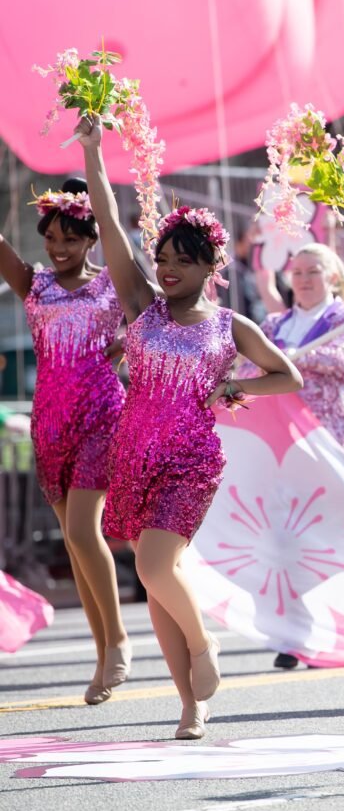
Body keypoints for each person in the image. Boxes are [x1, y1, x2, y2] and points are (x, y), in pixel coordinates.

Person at [79, 115, 302, 740]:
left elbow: (286, 376)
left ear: (211, 266)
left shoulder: (230, 326)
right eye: (165, 259)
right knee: (157, 586)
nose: (169, 269)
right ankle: (191, 705)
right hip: (134, 454)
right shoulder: (141, 307)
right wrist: (96, 155)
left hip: (190, 460)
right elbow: (111, 227)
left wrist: (234, 386)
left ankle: (205, 651)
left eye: (184, 260)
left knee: (154, 567)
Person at [0, 180, 131, 704]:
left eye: (70, 239)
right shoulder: (33, 284)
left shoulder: (114, 284)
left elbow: (150, 320)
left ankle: (119, 640)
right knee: (76, 548)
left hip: (101, 417)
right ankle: (102, 658)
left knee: (82, 531)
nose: (58, 248)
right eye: (51, 237)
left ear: (92, 240)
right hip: (50, 424)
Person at [251, 243, 344, 669]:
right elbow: (246, 367)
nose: (303, 279)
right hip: (281, 443)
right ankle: (296, 633)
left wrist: (280, 363)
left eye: (313, 271)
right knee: (283, 537)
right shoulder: (274, 324)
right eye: (296, 271)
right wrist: (274, 362)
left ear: (332, 276)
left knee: (331, 537)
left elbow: (336, 359)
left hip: (330, 440)